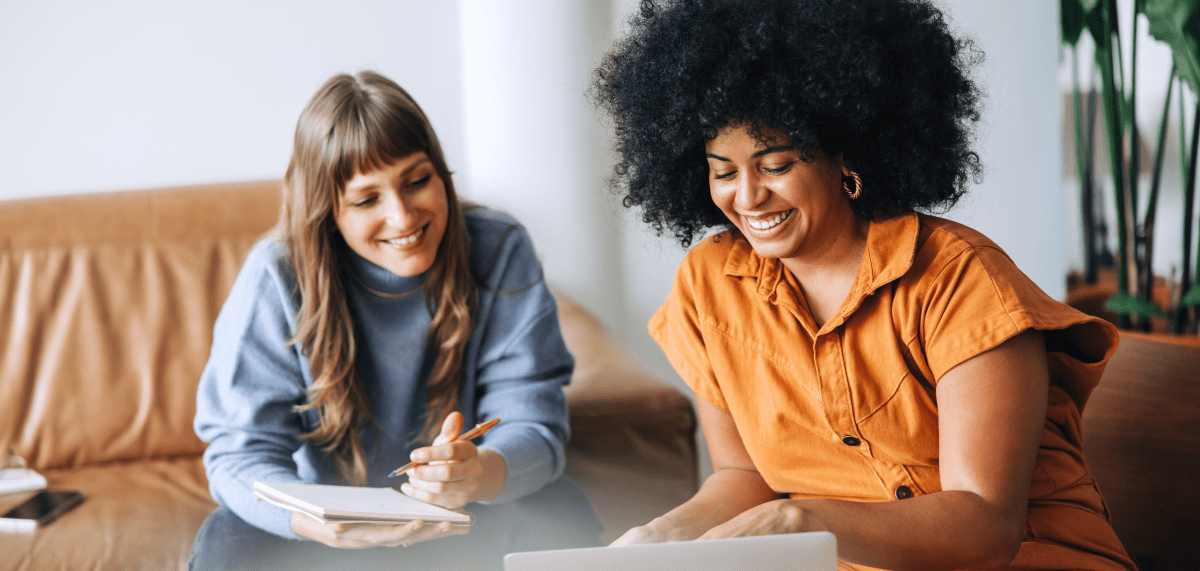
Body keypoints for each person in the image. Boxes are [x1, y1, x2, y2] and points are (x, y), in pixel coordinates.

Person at [591, 1, 1135, 570]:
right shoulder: (708, 287)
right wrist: (659, 536)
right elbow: (744, 475)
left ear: (844, 150)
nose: (747, 197)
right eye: (723, 172)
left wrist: (800, 519)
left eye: (774, 165)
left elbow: (986, 526)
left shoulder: (960, 279)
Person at [189, 70, 600, 571]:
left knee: (559, 509)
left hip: (463, 513)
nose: (403, 218)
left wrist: (480, 473)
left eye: (417, 181)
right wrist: (315, 523)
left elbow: (533, 422)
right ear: (328, 211)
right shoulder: (277, 273)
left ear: (441, 172)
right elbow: (239, 455)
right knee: (227, 541)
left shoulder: (499, 247)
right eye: (366, 200)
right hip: (328, 532)